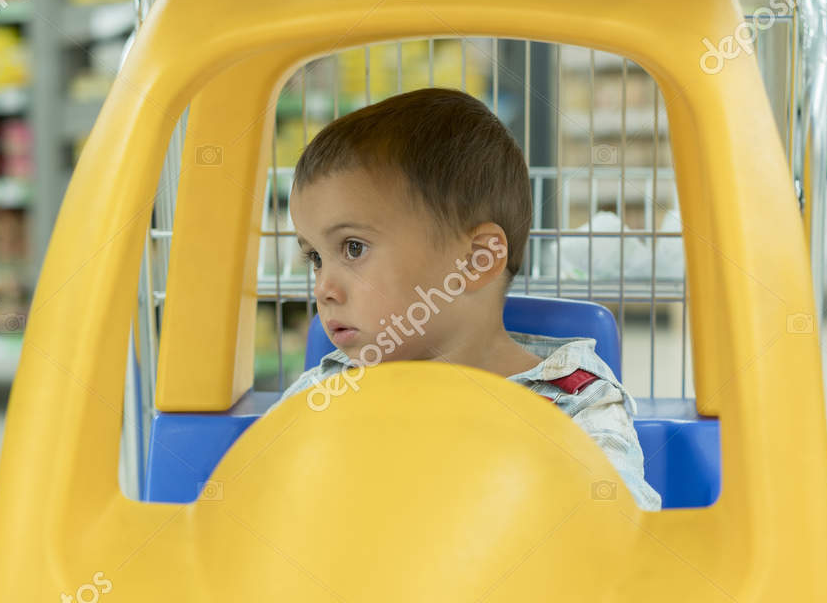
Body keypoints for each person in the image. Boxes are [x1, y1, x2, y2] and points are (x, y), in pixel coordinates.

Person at [274, 87, 660, 510]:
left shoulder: (573, 402)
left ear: (476, 260)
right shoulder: (327, 391)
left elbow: (617, 532)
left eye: (352, 248)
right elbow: (260, 505)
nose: (323, 288)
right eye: (314, 257)